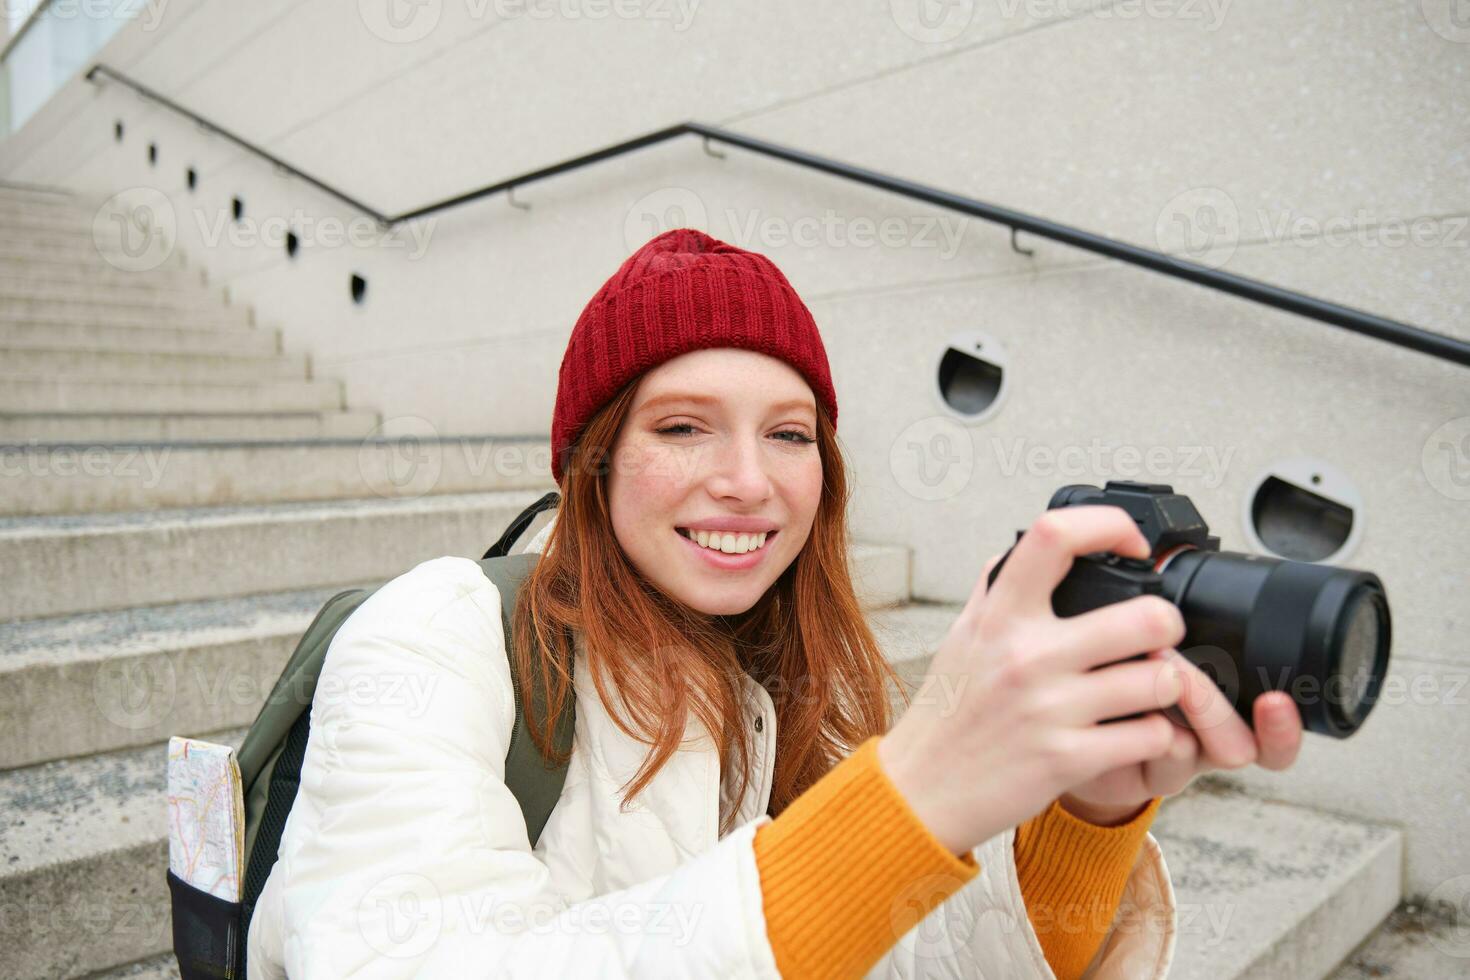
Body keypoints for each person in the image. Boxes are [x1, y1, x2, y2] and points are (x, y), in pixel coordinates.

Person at [245, 228, 1303, 979]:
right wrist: (918, 786)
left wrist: (1086, 815)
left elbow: (889, 952)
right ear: (593, 462)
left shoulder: (783, 687)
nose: (748, 480)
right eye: (683, 427)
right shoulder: (436, 629)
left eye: (789, 434)